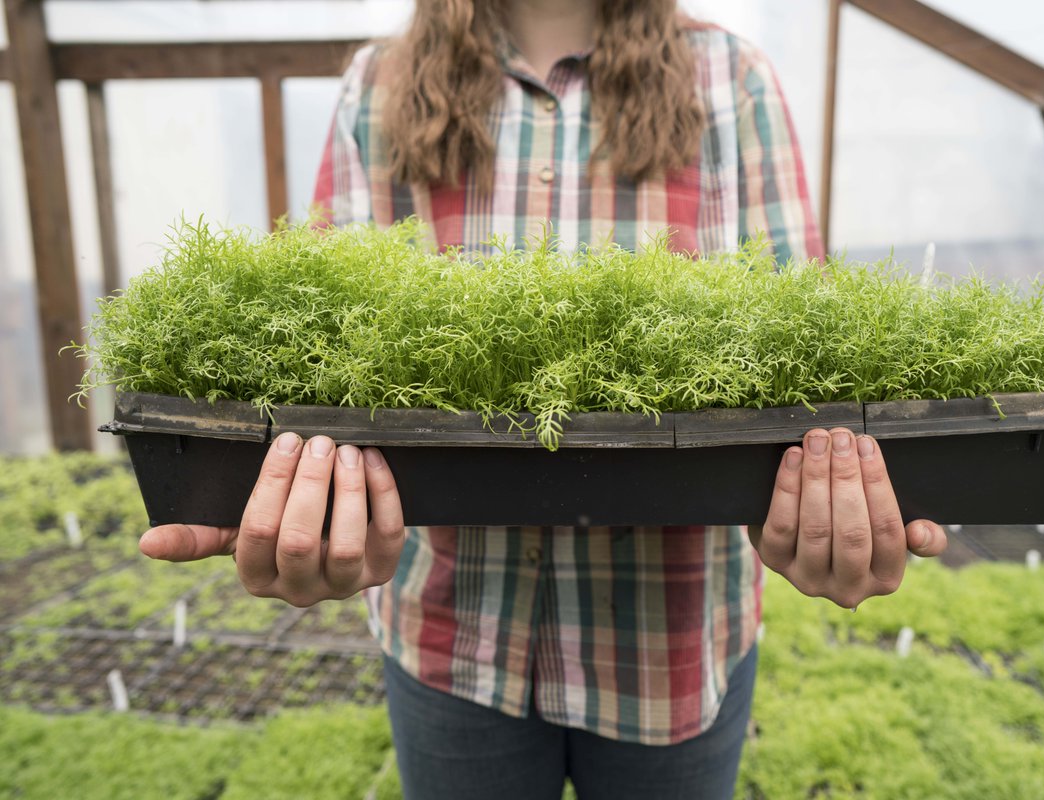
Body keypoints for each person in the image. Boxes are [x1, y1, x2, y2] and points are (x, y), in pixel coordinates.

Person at [138, 2, 948, 798]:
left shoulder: (729, 79)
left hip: (672, 638)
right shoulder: (380, 83)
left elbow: (798, 348)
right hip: (452, 634)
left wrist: (825, 497)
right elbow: (322, 356)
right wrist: (282, 489)